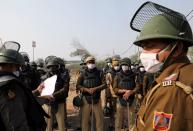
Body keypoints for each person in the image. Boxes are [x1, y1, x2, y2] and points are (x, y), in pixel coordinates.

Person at [130, 2, 193, 130]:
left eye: (150, 45)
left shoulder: (171, 89)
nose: (144, 54)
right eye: (143, 47)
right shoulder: (184, 74)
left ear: (177, 48)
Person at [0, 41, 48, 131]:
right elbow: (16, 125)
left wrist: (37, 91)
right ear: (11, 65)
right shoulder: (8, 87)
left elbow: (22, 98)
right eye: (18, 67)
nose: (19, 70)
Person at [76, 56, 106, 131]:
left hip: (97, 99)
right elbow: (78, 85)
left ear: (95, 63)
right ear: (86, 64)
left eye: (92, 62)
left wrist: (96, 89)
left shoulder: (100, 72)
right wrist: (86, 89)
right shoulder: (82, 74)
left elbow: (104, 84)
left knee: (99, 119)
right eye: (89, 62)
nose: (91, 63)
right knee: (85, 119)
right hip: (86, 99)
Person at [41, 56, 69, 131]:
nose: (52, 69)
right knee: (48, 126)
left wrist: (53, 95)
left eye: (54, 67)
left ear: (58, 67)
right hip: (48, 104)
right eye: (50, 67)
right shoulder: (44, 78)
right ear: (48, 67)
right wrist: (46, 96)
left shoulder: (63, 77)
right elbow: (41, 91)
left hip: (59, 103)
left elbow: (65, 89)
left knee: (61, 126)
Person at [113, 57, 136, 131]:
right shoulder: (117, 75)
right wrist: (124, 91)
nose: (124, 66)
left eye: (126, 65)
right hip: (120, 100)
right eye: (123, 65)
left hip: (131, 100)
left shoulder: (134, 75)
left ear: (129, 65)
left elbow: (138, 86)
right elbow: (115, 89)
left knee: (131, 119)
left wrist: (131, 92)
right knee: (119, 119)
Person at [104, 57, 120, 130]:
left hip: (120, 95)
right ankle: (111, 124)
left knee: (120, 111)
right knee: (112, 111)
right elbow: (107, 86)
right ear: (113, 65)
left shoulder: (121, 72)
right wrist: (108, 97)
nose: (117, 66)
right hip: (112, 94)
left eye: (118, 64)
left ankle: (119, 124)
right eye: (115, 65)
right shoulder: (109, 73)